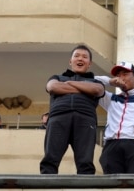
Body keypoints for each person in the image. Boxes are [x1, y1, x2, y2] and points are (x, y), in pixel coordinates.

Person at [39, 44, 105, 174]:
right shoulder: (56, 78)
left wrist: (68, 84)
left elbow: (97, 90)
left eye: (85, 57)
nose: (80, 59)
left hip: (85, 121)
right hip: (58, 119)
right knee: (50, 160)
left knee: (85, 163)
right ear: (70, 61)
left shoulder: (95, 82)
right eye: (77, 56)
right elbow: (52, 87)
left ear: (89, 63)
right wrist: (84, 89)